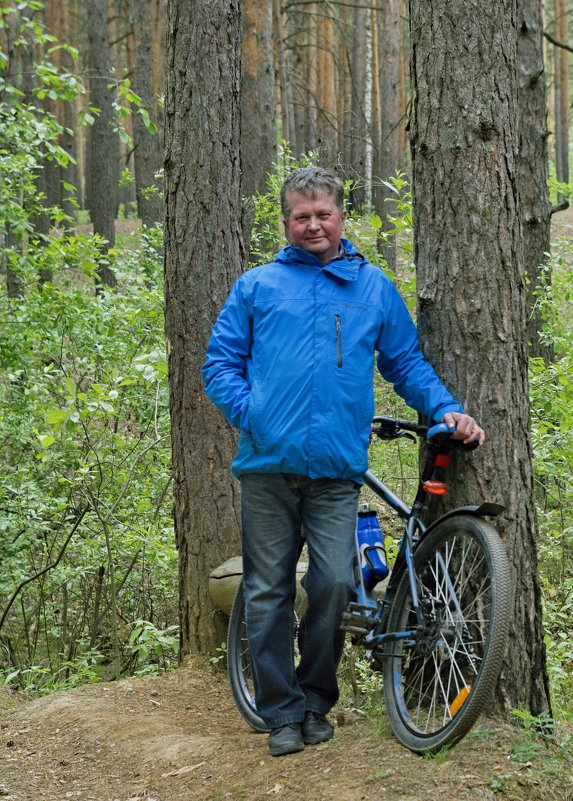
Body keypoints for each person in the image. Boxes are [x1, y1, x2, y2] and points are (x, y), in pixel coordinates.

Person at [202, 167, 484, 757]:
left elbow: (405, 363)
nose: (313, 225)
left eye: (322, 214)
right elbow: (219, 364)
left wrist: (449, 410)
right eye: (301, 216)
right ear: (285, 224)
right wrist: (252, 413)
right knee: (267, 591)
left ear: (341, 218)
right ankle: (280, 713)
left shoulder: (372, 288)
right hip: (266, 466)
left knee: (333, 583)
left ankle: (314, 699)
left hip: (335, 469)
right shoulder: (257, 285)